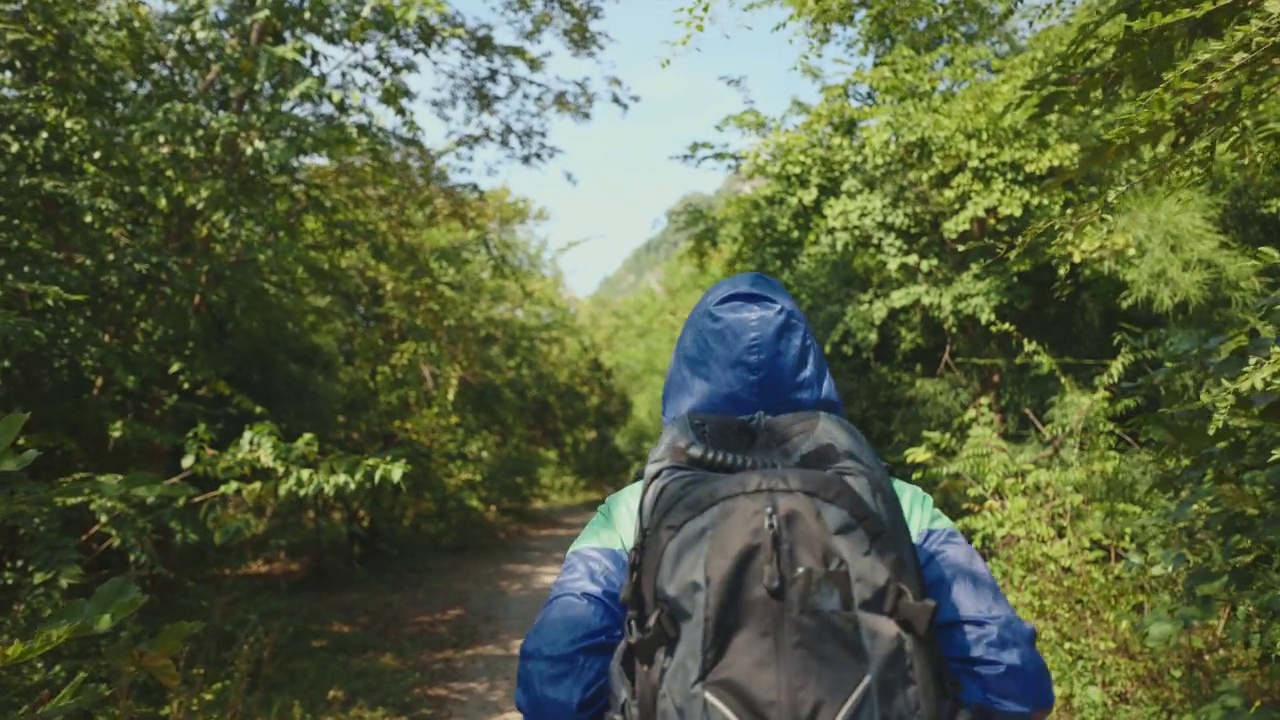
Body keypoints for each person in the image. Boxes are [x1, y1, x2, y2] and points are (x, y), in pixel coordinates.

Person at [514, 272, 1055, 720]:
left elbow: (554, 680)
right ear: (810, 366)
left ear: (686, 374)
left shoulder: (632, 509)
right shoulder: (896, 502)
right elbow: (1009, 677)